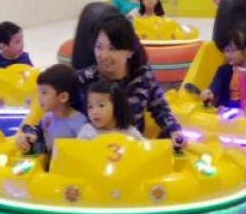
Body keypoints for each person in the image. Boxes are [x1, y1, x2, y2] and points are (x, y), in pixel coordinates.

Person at [77, 14, 184, 147]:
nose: (104, 55)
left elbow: (160, 108)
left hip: (133, 148)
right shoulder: (84, 79)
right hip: (94, 150)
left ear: (130, 51)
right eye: (99, 47)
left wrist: (174, 131)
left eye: (112, 48)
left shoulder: (143, 76)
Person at [16, 64, 87, 155]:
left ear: (63, 97)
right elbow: (38, 131)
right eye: (39, 92)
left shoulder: (79, 123)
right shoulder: (47, 118)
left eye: (44, 93)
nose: (39, 97)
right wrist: (29, 137)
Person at [78, 79, 144, 141]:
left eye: (101, 105)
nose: (94, 112)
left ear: (117, 106)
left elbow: (143, 147)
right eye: (90, 107)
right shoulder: (87, 132)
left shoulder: (130, 132)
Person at [201, 30, 246, 109]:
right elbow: (217, 83)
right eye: (226, 50)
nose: (228, 55)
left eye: (232, 50)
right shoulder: (225, 71)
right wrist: (210, 92)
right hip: (228, 109)